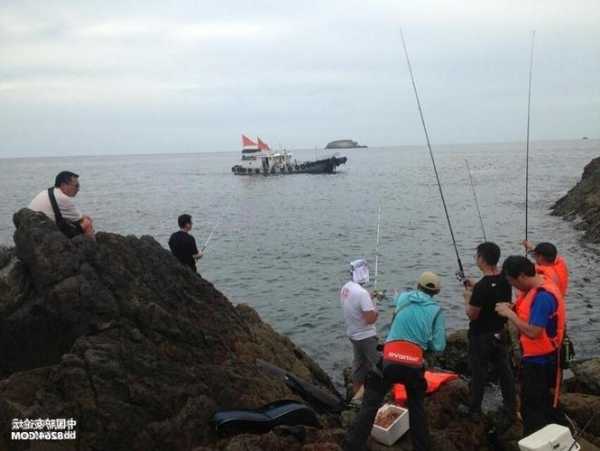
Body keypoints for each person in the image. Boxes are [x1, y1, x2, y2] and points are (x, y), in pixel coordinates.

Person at [344, 271, 446, 451]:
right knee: (417, 410)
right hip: (414, 365)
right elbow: (439, 346)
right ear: (436, 293)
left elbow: (396, 300)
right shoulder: (437, 311)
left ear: (417, 286)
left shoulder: (404, 298)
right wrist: (425, 343)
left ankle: (352, 446)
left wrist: (374, 295)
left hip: (389, 361)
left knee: (369, 406)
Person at [495, 255, 565, 436]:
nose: (513, 286)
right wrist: (512, 308)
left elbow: (534, 332)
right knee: (544, 404)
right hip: (545, 357)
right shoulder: (541, 284)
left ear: (522, 277)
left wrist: (510, 315)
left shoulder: (543, 297)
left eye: (512, 282)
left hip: (541, 362)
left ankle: (536, 439)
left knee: (532, 409)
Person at [461, 242, 516, 425]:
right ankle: (511, 406)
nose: (476, 259)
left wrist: (468, 298)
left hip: (480, 337)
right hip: (500, 333)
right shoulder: (505, 280)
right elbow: (492, 291)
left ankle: (474, 409)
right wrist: (475, 286)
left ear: (482, 259)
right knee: (504, 370)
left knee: (479, 373)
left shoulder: (482, 287)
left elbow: (472, 314)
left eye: (477, 256)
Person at [340, 259, 379, 399]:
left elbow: (355, 304)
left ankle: (357, 396)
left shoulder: (346, 288)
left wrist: (369, 298)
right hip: (366, 337)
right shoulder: (362, 293)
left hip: (353, 335)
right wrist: (375, 307)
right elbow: (370, 319)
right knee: (380, 366)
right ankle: (375, 397)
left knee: (359, 366)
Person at [28, 171, 95, 238]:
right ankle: (92, 247)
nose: (78, 189)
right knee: (87, 223)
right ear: (63, 185)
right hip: (44, 235)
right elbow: (81, 219)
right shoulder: (63, 198)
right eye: (76, 186)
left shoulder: (48, 191)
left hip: (31, 230)